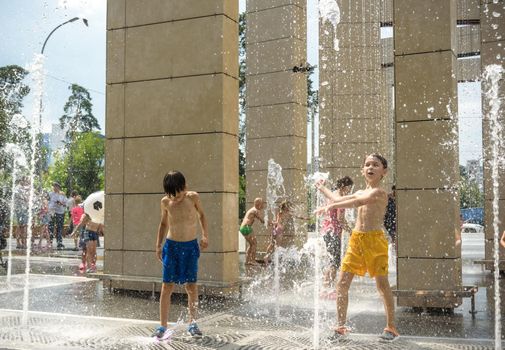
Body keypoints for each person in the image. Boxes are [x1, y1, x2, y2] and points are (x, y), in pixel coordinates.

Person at [314, 153, 399, 341]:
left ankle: (391, 327)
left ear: (384, 171)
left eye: (375, 165)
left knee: (382, 285)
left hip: (375, 241)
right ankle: (341, 326)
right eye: (367, 164)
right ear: (362, 170)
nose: (370, 167)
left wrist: (329, 208)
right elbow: (338, 200)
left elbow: (357, 203)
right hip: (356, 239)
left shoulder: (379, 192)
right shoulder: (360, 191)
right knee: (342, 283)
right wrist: (323, 189)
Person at [152, 171, 209, 340]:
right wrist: (158, 245)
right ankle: (162, 325)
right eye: (171, 195)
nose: (175, 198)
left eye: (178, 194)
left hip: (190, 246)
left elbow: (202, 216)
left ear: (185, 187)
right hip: (172, 246)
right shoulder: (165, 202)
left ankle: (193, 323)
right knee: (167, 286)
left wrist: (205, 235)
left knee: (191, 286)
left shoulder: (193, 198)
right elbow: (163, 223)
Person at [319, 176, 353, 288]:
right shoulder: (340, 199)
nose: (350, 191)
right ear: (343, 186)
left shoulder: (332, 195)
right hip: (334, 232)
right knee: (335, 262)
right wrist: (351, 231)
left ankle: (325, 284)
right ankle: (330, 287)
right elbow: (340, 219)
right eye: (349, 188)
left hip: (326, 231)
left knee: (331, 259)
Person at [263, 199, 309, 264]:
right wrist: (305, 218)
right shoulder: (288, 213)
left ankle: (266, 257)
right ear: (287, 207)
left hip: (275, 229)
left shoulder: (280, 212)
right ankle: (275, 259)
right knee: (277, 246)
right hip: (280, 230)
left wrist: (273, 224)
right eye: (289, 206)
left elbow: (277, 221)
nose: (290, 207)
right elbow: (297, 216)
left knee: (272, 243)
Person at [240, 198, 266, 266]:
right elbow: (262, 221)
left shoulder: (252, 209)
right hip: (247, 227)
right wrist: (273, 223)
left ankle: (247, 261)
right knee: (254, 243)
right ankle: (253, 260)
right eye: (262, 203)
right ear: (258, 204)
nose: (263, 205)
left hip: (242, 228)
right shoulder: (255, 210)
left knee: (251, 244)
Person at [48, 182, 67, 249]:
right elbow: (46, 201)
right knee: (50, 227)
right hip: (52, 211)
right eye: (54, 186)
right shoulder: (50, 194)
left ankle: (59, 242)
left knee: (59, 227)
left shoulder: (62, 194)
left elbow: (65, 204)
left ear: (59, 187)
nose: (54, 187)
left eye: (56, 186)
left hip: (60, 212)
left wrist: (61, 203)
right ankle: (50, 242)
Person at [13, 177, 30, 249]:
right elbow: (20, 197)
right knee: (19, 226)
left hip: (25, 209)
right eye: (25, 181)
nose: (26, 182)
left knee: (25, 226)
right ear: (21, 181)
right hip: (19, 209)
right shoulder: (17, 188)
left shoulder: (26, 188)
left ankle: (24, 242)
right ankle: (18, 243)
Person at [383, 185, 397, 251]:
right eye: (394, 191)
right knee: (393, 236)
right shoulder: (388, 197)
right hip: (389, 220)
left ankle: (394, 250)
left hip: (395, 220)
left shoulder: (398, 199)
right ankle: (393, 250)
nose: (395, 192)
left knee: (394, 237)